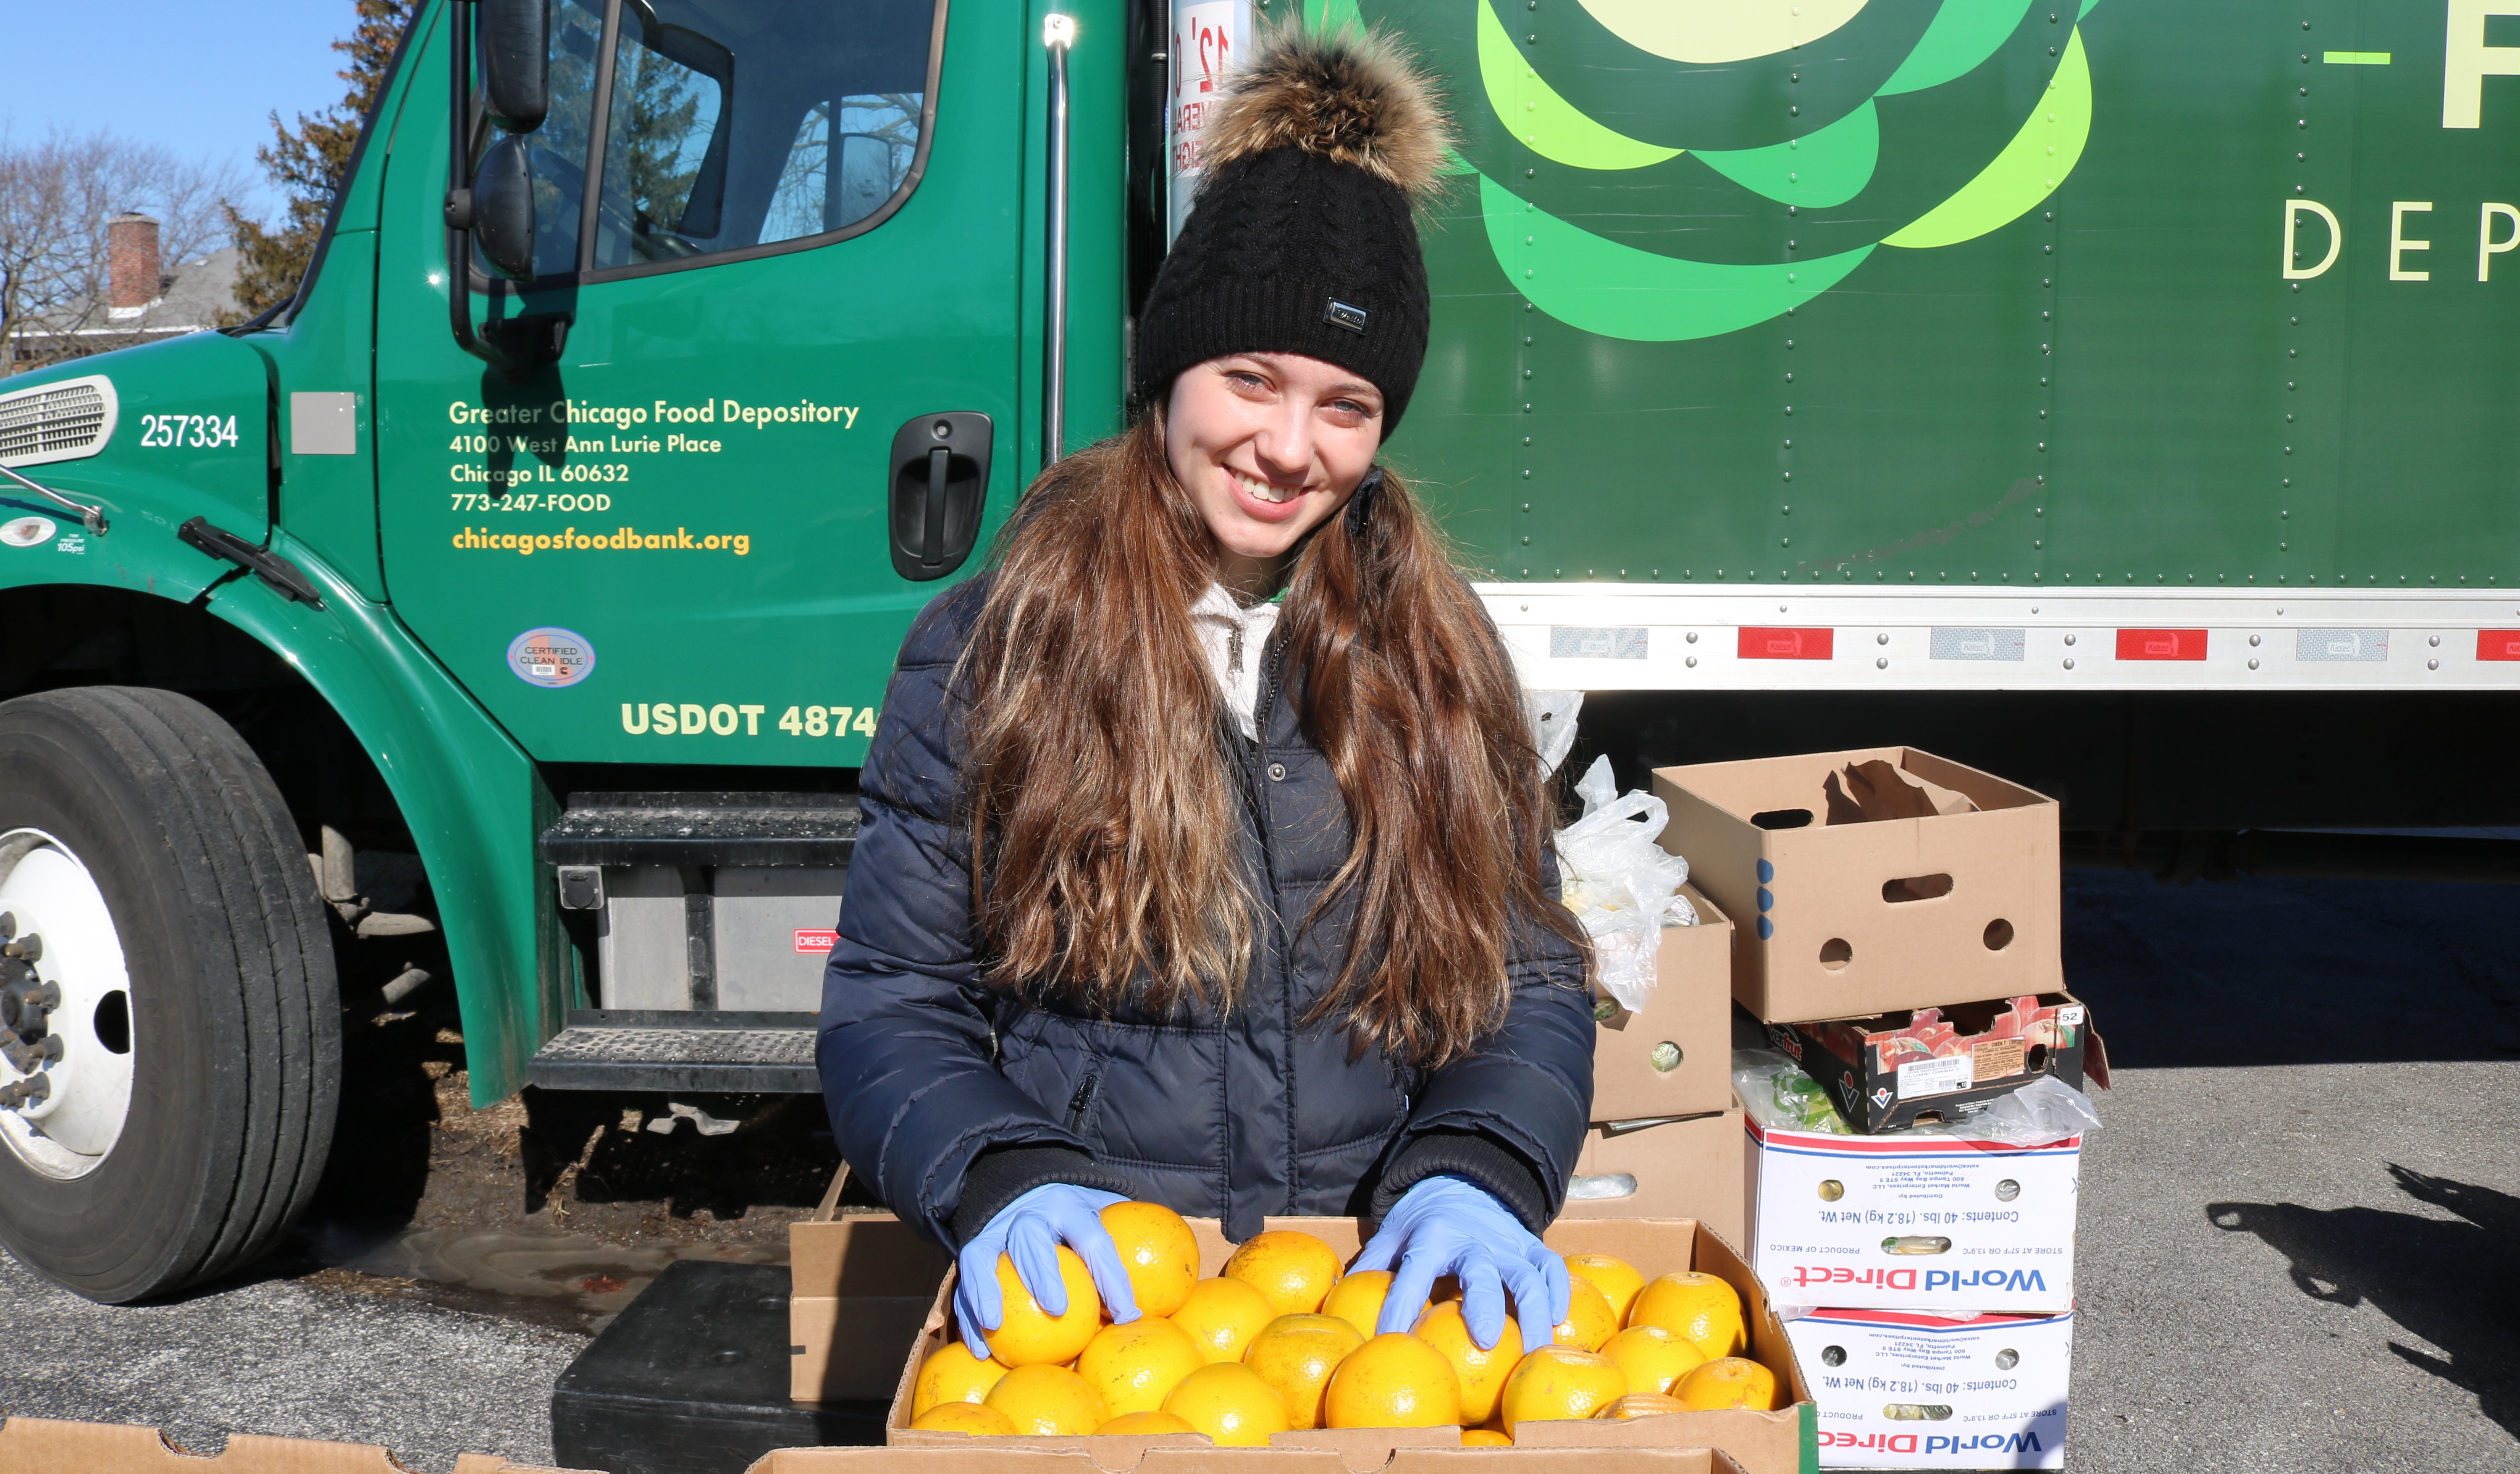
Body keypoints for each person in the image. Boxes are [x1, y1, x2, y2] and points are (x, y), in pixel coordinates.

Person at [817, 22, 1593, 1366]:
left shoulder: (1436, 652)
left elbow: (1524, 980)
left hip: (1357, 1322)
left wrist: (1480, 1161)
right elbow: (895, 1002)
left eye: (1347, 405)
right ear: (1171, 374)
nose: (1290, 449)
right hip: (1104, 1319)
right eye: (1252, 379)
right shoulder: (1000, 644)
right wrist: (1000, 1175)